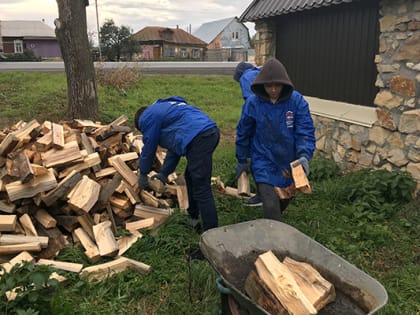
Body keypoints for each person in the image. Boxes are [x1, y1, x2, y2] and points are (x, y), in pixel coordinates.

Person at [235, 58, 316, 221]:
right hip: (262, 158)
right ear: (262, 85)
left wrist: (304, 156)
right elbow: (244, 131)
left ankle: (273, 225)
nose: (273, 89)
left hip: (287, 160)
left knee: (283, 199)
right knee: (271, 206)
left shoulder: (297, 102)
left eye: (277, 85)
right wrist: (242, 159)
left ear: (284, 84)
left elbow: (305, 132)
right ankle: (272, 241)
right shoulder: (253, 103)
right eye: (269, 85)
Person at [134, 96, 220, 232]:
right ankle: (193, 218)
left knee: (201, 187)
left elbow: (149, 148)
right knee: (190, 177)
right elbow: (174, 149)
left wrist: (143, 173)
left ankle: (211, 232)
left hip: (199, 137)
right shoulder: (166, 110)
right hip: (209, 132)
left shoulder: (147, 118)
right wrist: (163, 173)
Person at [233, 61, 263, 207]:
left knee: (256, 156)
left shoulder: (246, 76)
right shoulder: (260, 72)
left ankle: (262, 195)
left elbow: (250, 102)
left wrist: (242, 159)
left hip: (259, 122)